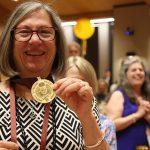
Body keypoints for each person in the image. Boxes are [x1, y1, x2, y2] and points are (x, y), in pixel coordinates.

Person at [0, 1, 110, 150]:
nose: (34, 40)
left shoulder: (77, 95)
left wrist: (86, 116)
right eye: (24, 32)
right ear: (10, 42)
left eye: (45, 32)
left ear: (57, 42)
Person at [64, 56, 117, 150]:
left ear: (92, 85)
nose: (75, 87)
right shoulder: (51, 120)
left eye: (82, 82)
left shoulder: (106, 123)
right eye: (70, 82)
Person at [106, 56, 150, 150]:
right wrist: (138, 115)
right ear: (125, 75)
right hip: (124, 146)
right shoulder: (118, 95)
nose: (138, 72)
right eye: (133, 70)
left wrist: (147, 117)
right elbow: (111, 125)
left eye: (141, 70)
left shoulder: (147, 96)